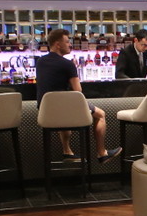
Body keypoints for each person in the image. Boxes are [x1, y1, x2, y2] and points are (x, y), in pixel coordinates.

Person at [36, 27, 122, 163]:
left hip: (45, 112)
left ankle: (67, 152)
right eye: (67, 41)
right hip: (64, 109)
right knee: (100, 115)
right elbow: (78, 91)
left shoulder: (40, 62)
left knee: (62, 113)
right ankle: (102, 153)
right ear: (58, 44)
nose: (70, 44)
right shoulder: (67, 64)